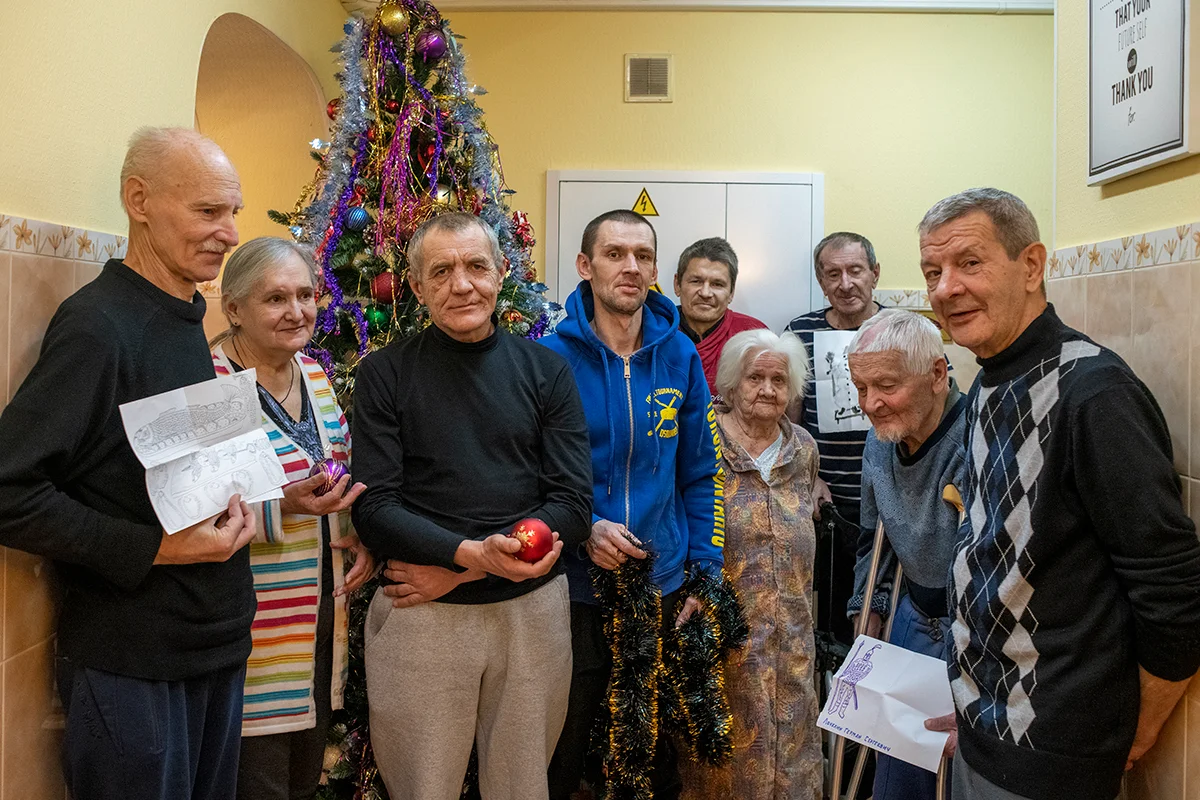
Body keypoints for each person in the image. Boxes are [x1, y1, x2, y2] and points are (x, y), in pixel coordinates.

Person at [0, 127, 257, 800]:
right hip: (134, 665)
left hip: (214, 648)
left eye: (232, 211)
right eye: (208, 211)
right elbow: (9, 490)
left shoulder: (185, 314)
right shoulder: (97, 326)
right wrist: (160, 549)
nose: (230, 233)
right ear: (138, 200)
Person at [918, 188, 1200, 800]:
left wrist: (1139, 727)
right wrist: (972, 711)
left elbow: (1173, 588)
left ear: (1031, 266)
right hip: (984, 734)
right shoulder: (989, 380)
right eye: (932, 272)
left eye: (969, 262)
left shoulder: (1093, 393)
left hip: (1051, 758)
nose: (944, 289)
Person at [350, 212, 592, 800]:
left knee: (523, 787)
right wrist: (470, 554)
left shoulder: (547, 371)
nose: (462, 285)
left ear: (502, 272)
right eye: (441, 271)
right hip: (422, 616)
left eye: (476, 266)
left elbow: (572, 503)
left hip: (530, 613)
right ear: (416, 286)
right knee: (423, 788)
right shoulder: (384, 373)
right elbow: (374, 508)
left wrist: (469, 567)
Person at [541, 209, 724, 800]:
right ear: (584, 265)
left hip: (659, 583)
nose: (630, 267)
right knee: (561, 749)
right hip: (572, 587)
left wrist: (705, 570)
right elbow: (530, 474)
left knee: (651, 757)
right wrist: (585, 527)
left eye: (642, 256)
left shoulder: (680, 357)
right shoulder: (548, 357)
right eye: (614, 253)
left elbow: (700, 472)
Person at [208, 237, 376, 800]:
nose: (298, 311)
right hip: (253, 638)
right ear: (235, 308)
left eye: (306, 295)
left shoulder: (314, 374)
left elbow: (339, 469)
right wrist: (281, 504)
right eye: (276, 298)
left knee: (303, 783)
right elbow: (192, 511)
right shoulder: (211, 386)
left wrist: (359, 536)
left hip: (320, 627)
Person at [679, 329, 821, 800]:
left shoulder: (803, 449)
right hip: (722, 642)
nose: (767, 389)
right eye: (754, 378)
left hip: (793, 640)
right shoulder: (704, 440)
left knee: (793, 760)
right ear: (730, 384)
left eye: (778, 380)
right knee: (720, 768)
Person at [844, 309, 966, 800]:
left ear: (936, 374)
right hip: (912, 617)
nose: (870, 404)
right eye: (860, 387)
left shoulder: (976, 440)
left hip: (970, 629)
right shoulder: (880, 442)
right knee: (897, 779)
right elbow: (870, 539)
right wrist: (867, 610)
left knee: (955, 777)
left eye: (886, 386)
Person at [784, 231, 885, 646]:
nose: (845, 284)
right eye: (833, 274)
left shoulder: (902, 328)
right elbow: (785, 422)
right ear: (821, 281)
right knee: (835, 623)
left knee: (888, 617)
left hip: (893, 506)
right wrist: (808, 477)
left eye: (855, 270)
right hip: (827, 506)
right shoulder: (799, 332)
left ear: (874, 273)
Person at [673, 236, 767, 399]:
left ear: (731, 292)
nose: (705, 293)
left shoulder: (754, 336)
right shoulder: (654, 331)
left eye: (717, 284)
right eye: (696, 281)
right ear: (677, 284)